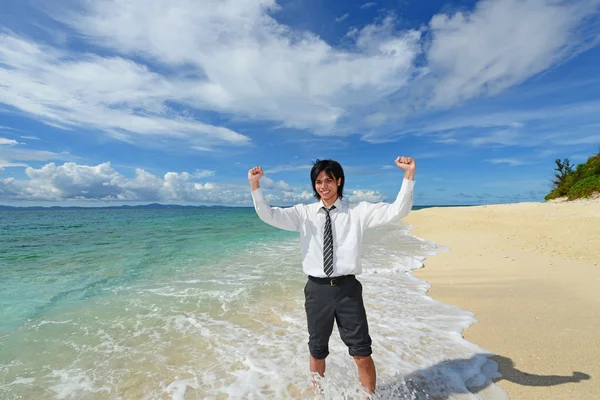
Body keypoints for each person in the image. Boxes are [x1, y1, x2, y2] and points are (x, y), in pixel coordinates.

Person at [248, 156, 416, 394]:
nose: (323, 186)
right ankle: (320, 395)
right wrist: (255, 185)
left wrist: (408, 175)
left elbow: (397, 210)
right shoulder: (303, 213)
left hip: (348, 290)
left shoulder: (357, 211)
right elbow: (268, 214)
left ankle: (369, 397)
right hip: (316, 290)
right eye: (318, 181)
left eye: (328, 180)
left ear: (339, 181)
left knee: (362, 352)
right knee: (317, 350)